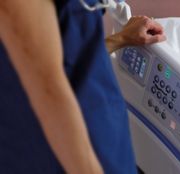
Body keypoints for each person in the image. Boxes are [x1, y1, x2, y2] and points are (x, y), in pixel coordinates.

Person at [0, 0, 165, 173]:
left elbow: (69, 53)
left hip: (95, 142)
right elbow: (49, 90)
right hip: (65, 154)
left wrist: (122, 38)